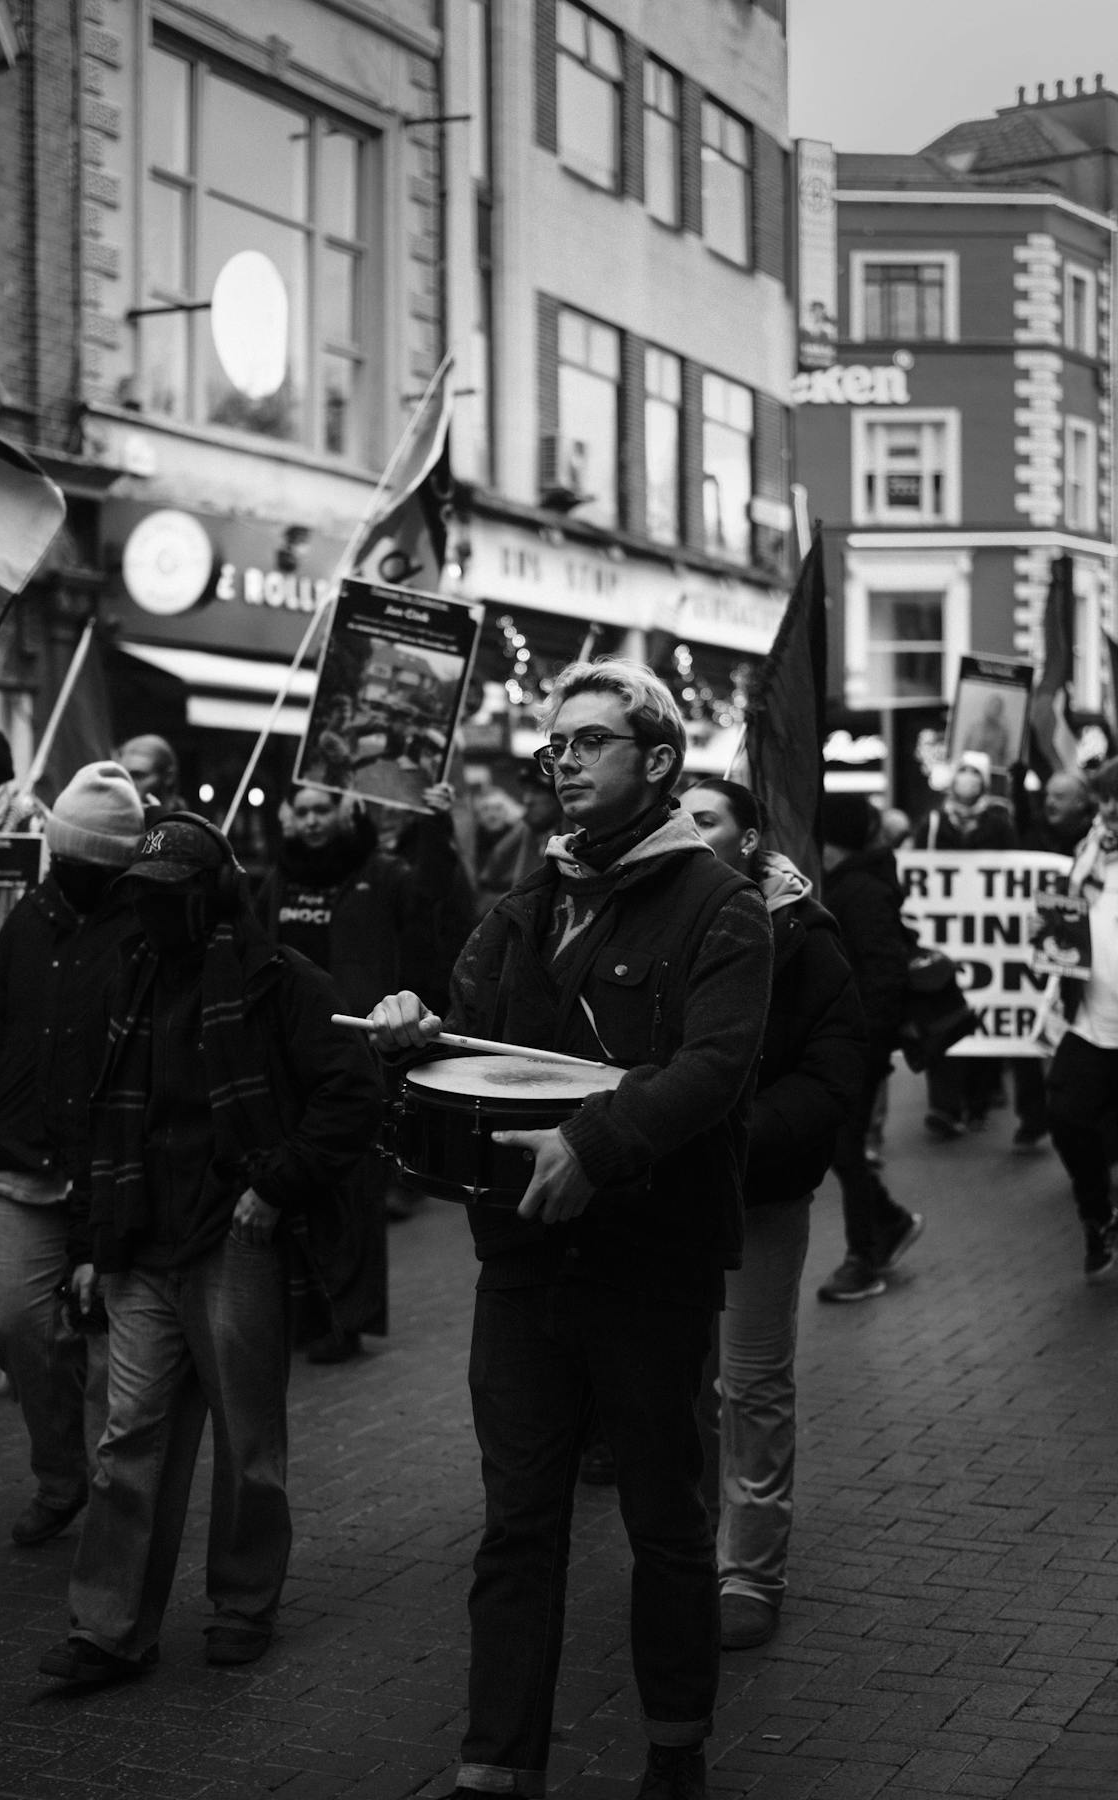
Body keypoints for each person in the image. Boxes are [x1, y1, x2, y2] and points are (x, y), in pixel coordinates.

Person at [368, 658, 774, 1800]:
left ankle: (676, 1749)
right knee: (517, 1524)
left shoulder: (723, 907)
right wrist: (411, 1038)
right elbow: (468, 1045)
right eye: (557, 745)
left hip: (652, 1262)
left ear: (659, 761)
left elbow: (713, 1067)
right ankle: (496, 1764)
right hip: (522, 1260)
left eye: (590, 741)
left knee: (666, 1522)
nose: (564, 762)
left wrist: (595, 1145)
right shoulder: (524, 907)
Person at [38, 816, 382, 1686]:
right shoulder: (129, 977)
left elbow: (353, 1091)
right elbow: (99, 1117)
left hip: (236, 1236)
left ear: (215, 894)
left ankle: (242, 1602)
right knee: (128, 1437)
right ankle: (109, 1628)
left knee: (247, 1438)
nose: (155, 911)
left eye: (173, 895)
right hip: (141, 1238)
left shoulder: (279, 981)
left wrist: (277, 1186)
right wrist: (89, 1242)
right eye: (144, 895)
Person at [681, 780, 864, 1652]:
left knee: (751, 1384)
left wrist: (736, 1134)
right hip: (662, 1187)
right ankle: (688, 1546)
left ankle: (749, 1572)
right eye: (677, 816)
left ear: (750, 840)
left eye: (706, 818)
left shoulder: (803, 935)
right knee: (683, 1378)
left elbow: (834, 1071)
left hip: (758, 1190)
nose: (687, 829)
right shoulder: (649, 918)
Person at [0, 763, 145, 1544]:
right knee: (18, 1328)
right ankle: (59, 1475)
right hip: (23, 1160)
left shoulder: (141, 929)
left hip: (107, 1162)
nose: (75, 872)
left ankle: (114, 1497)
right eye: (68, 857)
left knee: (108, 1345)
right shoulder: (28, 917)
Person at [256, 780, 473, 1345]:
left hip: (358, 1051)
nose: (311, 820)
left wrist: (436, 828)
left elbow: (435, 906)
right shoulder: (280, 878)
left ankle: (345, 1320)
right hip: (288, 1052)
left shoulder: (381, 874)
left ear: (345, 810)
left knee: (354, 1188)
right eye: (302, 810)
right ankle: (303, 1311)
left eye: (321, 809)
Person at [816, 792, 924, 1303]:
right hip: (848, 1043)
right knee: (841, 1147)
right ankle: (889, 1222)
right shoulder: (847, 881)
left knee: (845, 1149)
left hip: (858, 1046)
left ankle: (863, 1256)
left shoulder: (859, 890)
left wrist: (865, 1045)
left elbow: (883, 976)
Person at [1045, 757, 1118, 1279]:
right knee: (1068, 1117)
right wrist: (1048, 930)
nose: (1108, 810)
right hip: (1092, 1020)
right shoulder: (1091, 850)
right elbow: (1071, 917)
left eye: (1116, 800)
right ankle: (1098, 1215)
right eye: (1105, 799)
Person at [922, 756, 1017, 1137]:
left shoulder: (999, 824)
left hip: (986, 936)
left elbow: (1014, 869)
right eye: (962, 773)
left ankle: (977, 1100)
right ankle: (944, 1107)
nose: (967, 781)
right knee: (941, 1012)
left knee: (980, 1010)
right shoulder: (933, 823)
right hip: (942, 935)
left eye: (974, 775)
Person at [1011, 769, 1096, 1150]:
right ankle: (1033, 1117)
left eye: (1060, 796)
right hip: (1035, 950)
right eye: (1047, 795)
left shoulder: (1095, 843)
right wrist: (1017, 778)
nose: (1050, 802)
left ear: (1082, 802)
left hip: (1081, 956)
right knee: (1026, 1030)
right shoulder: (1033, 833)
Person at [469, 785, 529, 917]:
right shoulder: (475, 840)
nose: (492, 815)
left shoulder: (520, 836)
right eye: (485, 809)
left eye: (498, 808)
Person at [115, 734, 185, 814]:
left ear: (168, 777)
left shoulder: (187, 820)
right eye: (123, 776)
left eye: (138, 776)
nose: (127, 784)